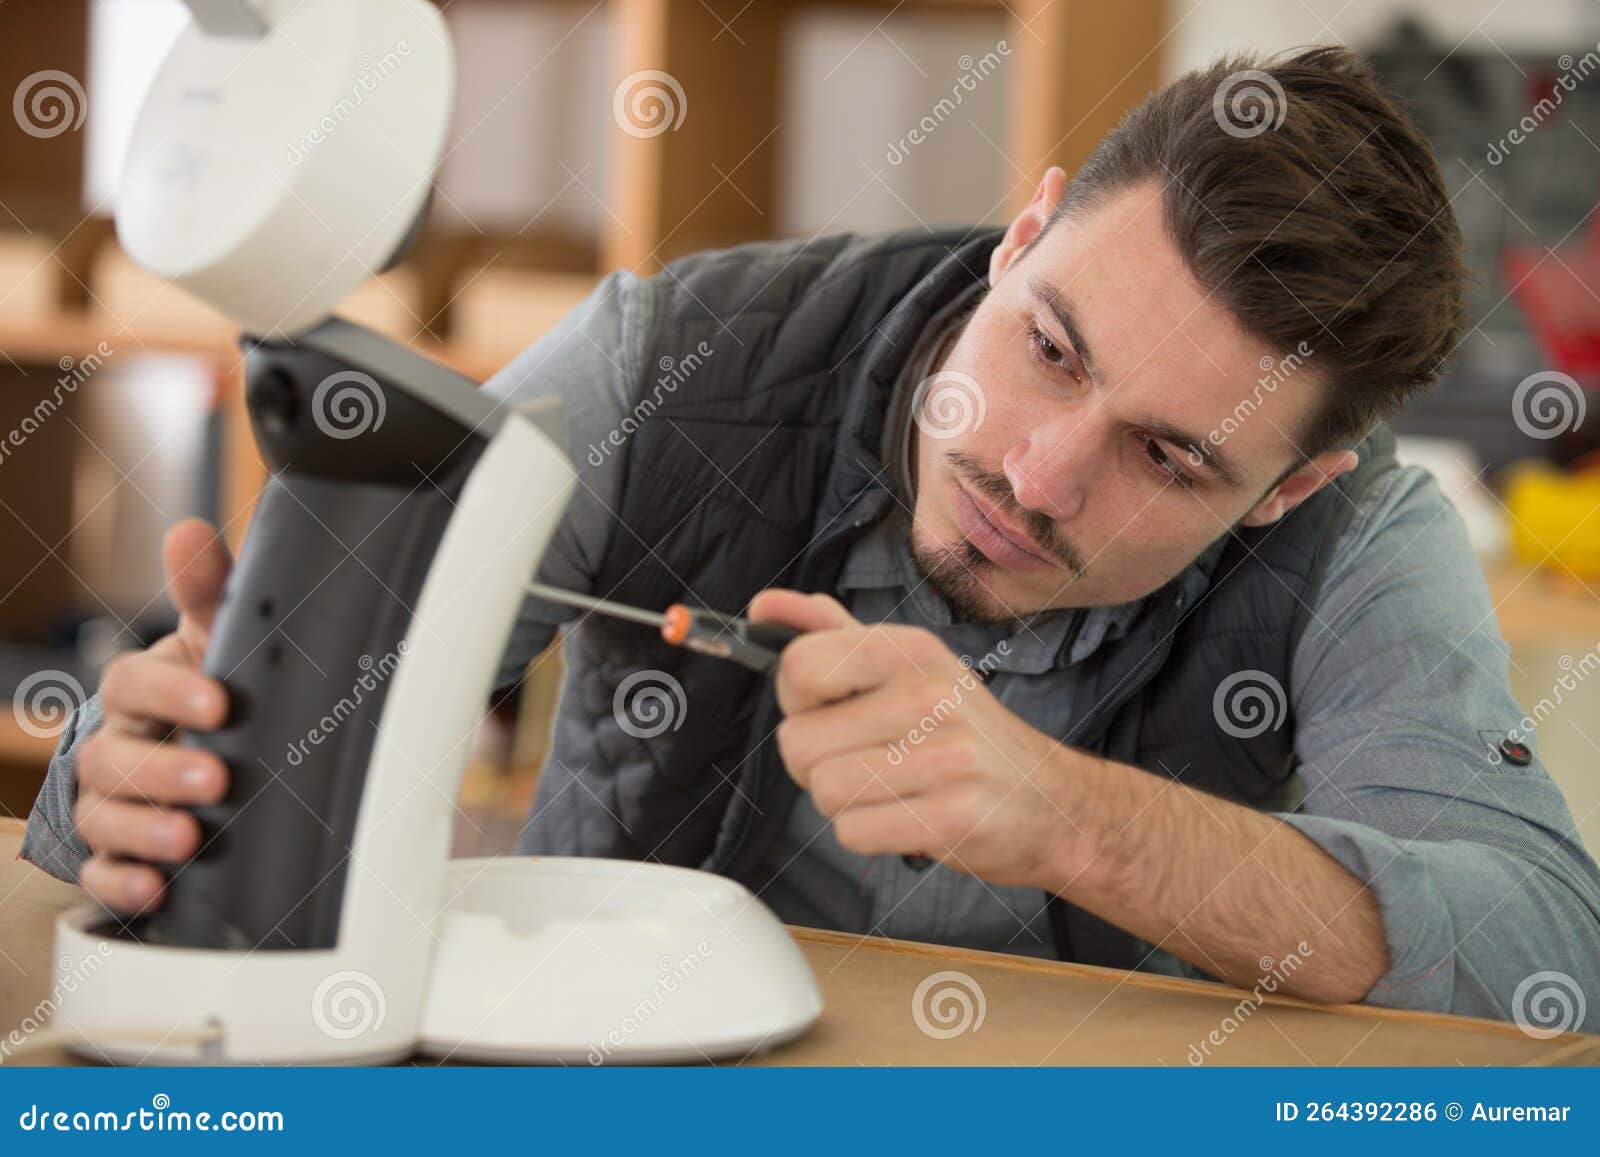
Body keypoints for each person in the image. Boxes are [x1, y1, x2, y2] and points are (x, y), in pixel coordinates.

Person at [21, 47, 1600, 1029]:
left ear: (1284, 490)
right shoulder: (674, 359)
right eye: (1050, 344)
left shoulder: (1363, 536)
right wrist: (157, 770)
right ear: (1026, 229)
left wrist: (1065, 815)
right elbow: (252, 749)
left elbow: (1549, 958)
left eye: (1170, 457)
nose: (1040, 475)